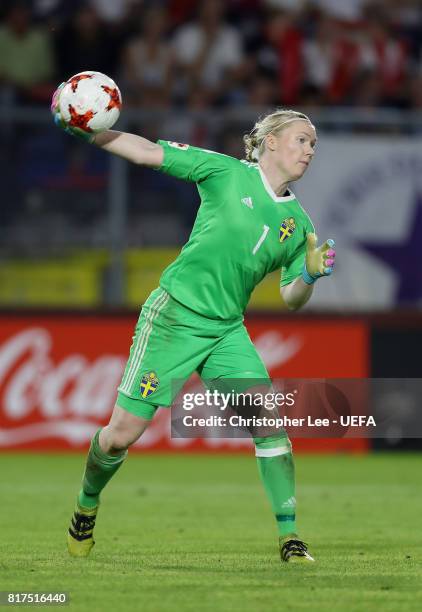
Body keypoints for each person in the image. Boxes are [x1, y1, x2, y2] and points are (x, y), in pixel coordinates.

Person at [51, 86, 336, 563]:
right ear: (270, 142)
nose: (309, 150)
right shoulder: (223, 172)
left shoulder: (299, 223)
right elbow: (145, 152)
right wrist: (91, 132)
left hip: (226, 330)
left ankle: (290, 538)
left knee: (269, 424)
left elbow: (291, 300)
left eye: (313, 144)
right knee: (121, 435)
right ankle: (86, 506)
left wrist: (308, 274)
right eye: (302, 139)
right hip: (174, 317)